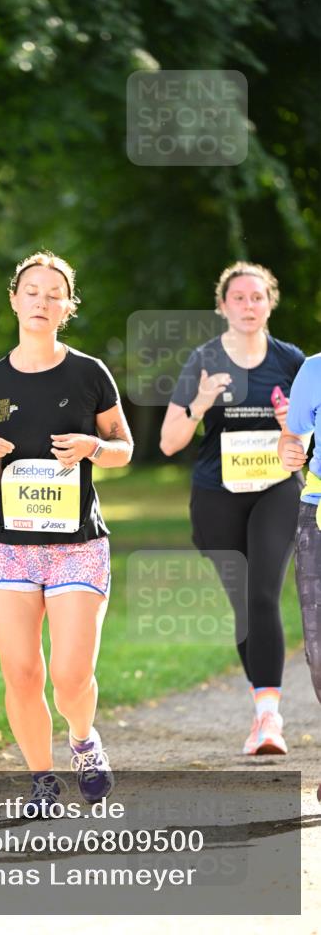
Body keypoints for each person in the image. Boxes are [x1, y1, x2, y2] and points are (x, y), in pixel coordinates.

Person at [0, 251, 133, 815]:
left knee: (71, 677)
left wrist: (94, 447)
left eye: (54, 294)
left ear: (67, 307)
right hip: (7, 550)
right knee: (23, 674)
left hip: (77, 548)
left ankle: (83, 741)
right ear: (14, 299)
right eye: (32, 291)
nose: (42, 302)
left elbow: (124, 448)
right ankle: (41, 781)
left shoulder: (89, 373)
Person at [160, 262, 305, 757]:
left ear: (270, 303)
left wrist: (295, 426)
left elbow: (315, 440)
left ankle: (269, 717)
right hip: (217, 496)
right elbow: (169, 442)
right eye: (238, 297)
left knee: (262, 594)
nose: (248, 305)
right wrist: (198, 403)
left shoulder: (290, 361)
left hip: (277, 489)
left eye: (257, 297)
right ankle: (260, 708)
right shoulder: (202, 359)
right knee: (244, 602)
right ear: (222, 306)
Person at [277, 353, 321, 709]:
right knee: (319, 648)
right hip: (317, 514)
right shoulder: (314, 369)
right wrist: (290, 450)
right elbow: (293, 435)